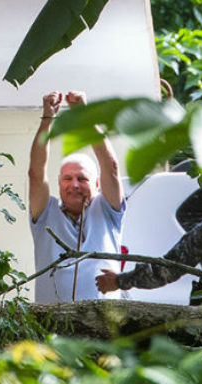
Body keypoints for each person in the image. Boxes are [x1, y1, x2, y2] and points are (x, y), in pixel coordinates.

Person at [29, 91, 125, 303]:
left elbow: (111, 167)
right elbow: (35, 175)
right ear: (58, 183)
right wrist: (47, 120)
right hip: (52, 326)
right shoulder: (46, 213)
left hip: (105, 326)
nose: (74, 185)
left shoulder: (107, 209)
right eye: (67, 178)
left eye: (82, 178)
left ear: (97, 184)